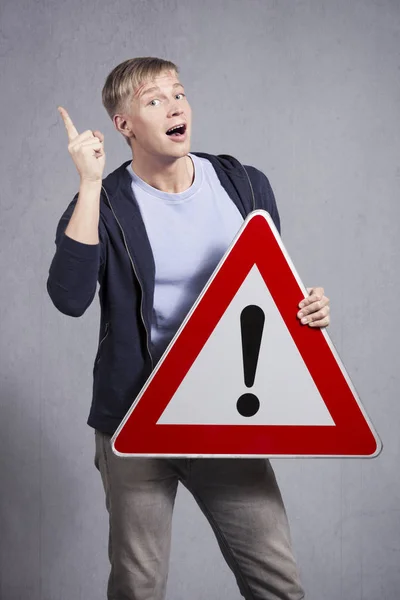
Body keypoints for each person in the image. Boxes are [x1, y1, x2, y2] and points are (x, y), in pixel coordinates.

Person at [47, 57, 330, 600]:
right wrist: (87, 185)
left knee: (278, 584)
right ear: (124, 124)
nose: (175, 105)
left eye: (178, 93)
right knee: (138, 586)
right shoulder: (104, 204)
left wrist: (306, 307)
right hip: (135, 419)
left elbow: (269, 297)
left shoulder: (243, 184)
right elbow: (68, 298)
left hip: (225, 417)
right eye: (154, 100)